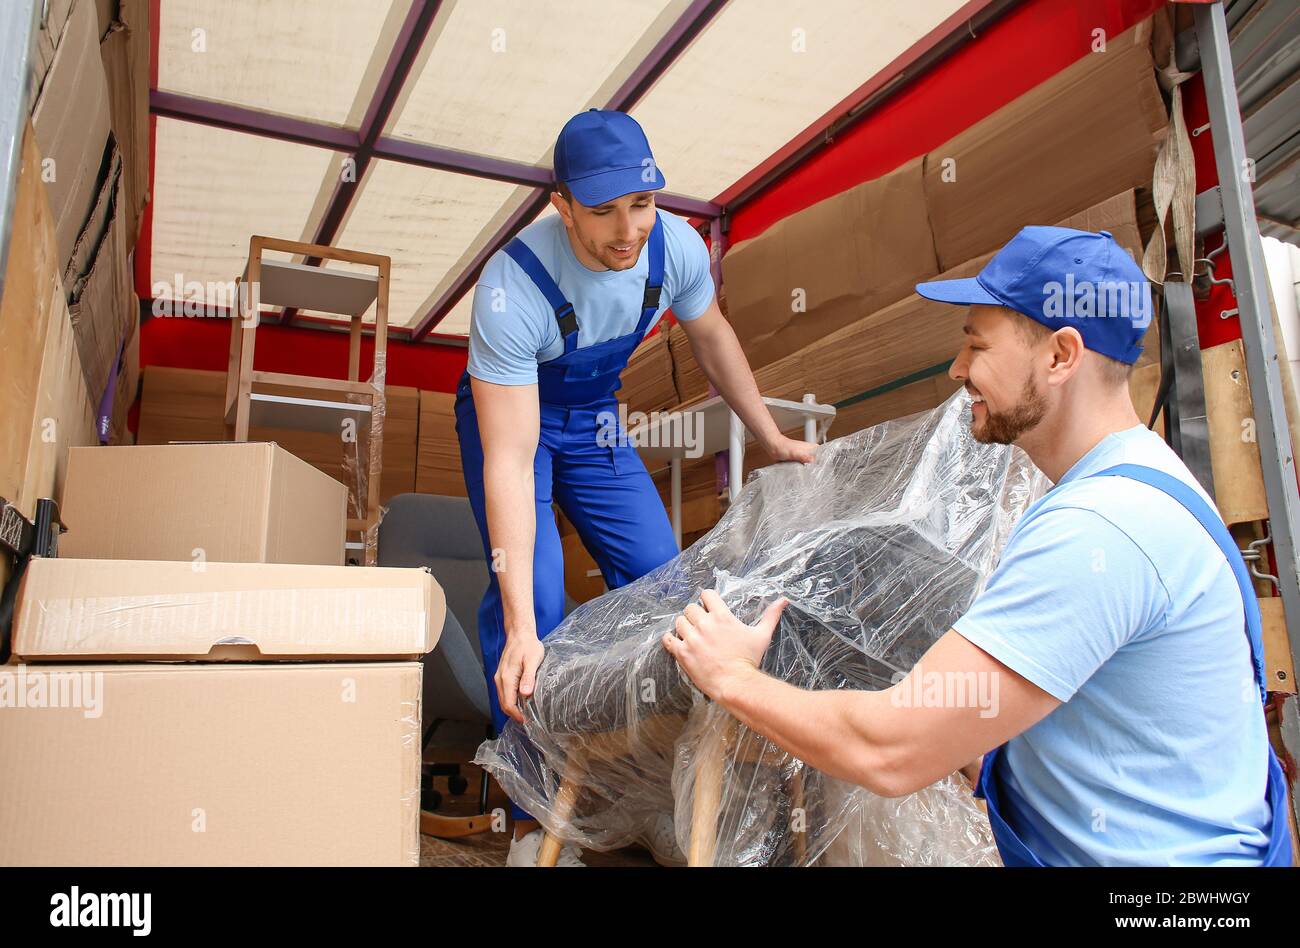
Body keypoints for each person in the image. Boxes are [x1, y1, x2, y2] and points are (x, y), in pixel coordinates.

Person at [662, 226, 1292, 865]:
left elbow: (890, 749)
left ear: (1060, 356)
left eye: (975, 345)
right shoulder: (1145, 481)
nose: (958, 370)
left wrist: (732, 677)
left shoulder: (1100, 527)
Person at [456, 109, 816, 866]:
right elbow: (512, 462)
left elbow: (714, 336)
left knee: (665, 581)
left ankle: (657, 784)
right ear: (561, 204)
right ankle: (528, 812)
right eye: (604, 210)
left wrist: (768, 434)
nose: (628, 231)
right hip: (514, 422)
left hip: (592, 420)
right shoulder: (509, 290)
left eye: (642, 204)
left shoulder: (674, 246)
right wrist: (522, 624)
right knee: (538, 607)